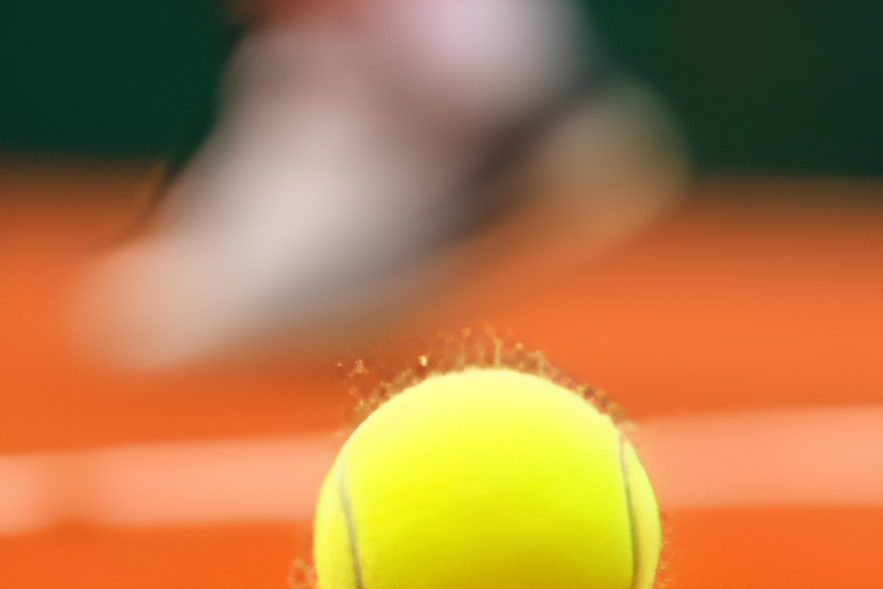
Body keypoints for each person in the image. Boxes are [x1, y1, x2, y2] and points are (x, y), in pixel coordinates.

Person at [76, 0, 686, 369]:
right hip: (351, 101)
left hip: (425, 126)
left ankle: (515, 153)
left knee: (179, 324)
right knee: (153, 313)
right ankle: (531, 136)